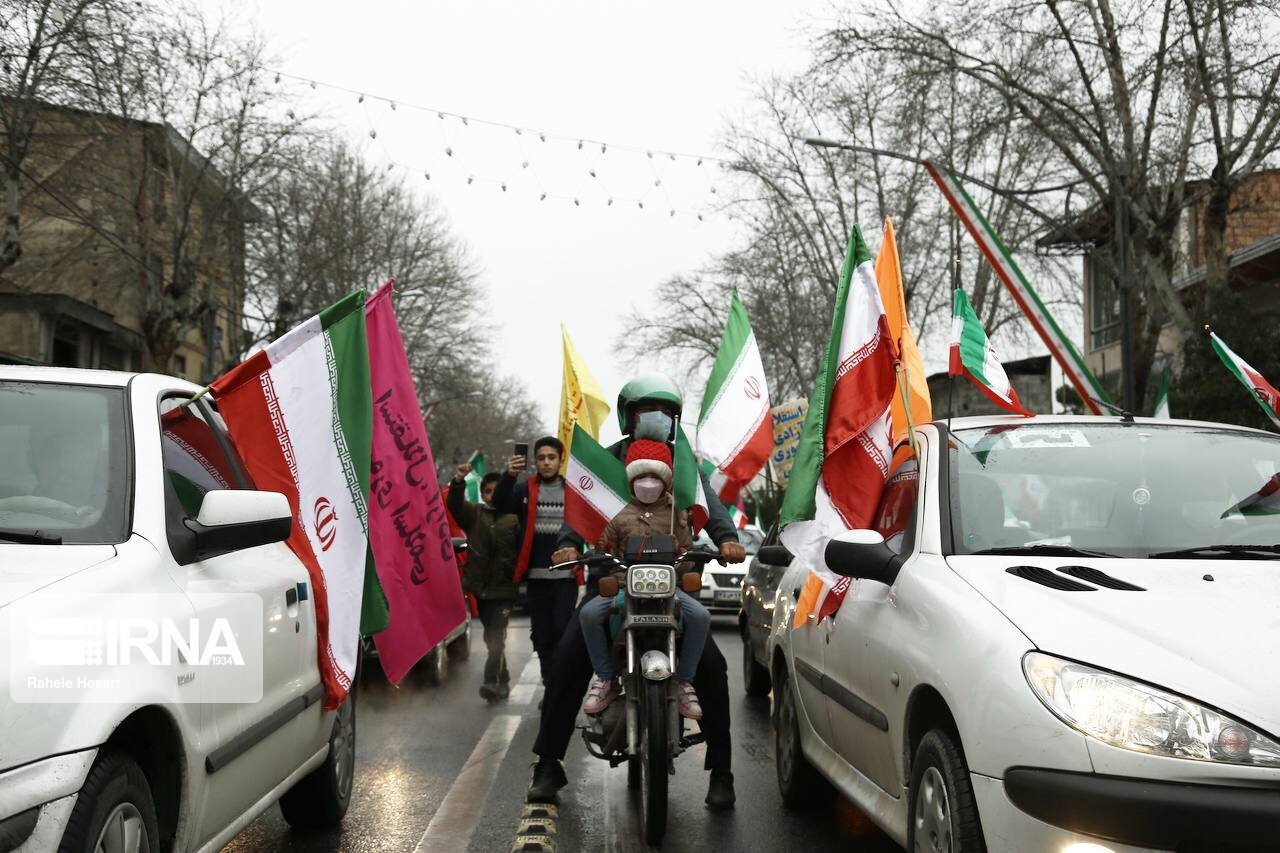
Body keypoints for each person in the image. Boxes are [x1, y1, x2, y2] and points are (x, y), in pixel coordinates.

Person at [527, 374, 746, 810]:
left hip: (670, 585)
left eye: (665, 412)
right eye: (647, 410)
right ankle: (548, 762)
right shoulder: (605, 464)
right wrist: (569, 543)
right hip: (613, 582)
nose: (656, 419)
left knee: (713, 668)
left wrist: (726, 538)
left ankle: (721, 770)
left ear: (674, 419)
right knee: (569, 656)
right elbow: (580, 509)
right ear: (629, 416)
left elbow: (712, 509)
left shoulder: (686, 467)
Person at [579, 439, 710, 719]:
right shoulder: (616, 513)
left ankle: (685, 681)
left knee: (700, 616)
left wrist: (685, 554)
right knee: (589, 614)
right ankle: (605, 679)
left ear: (665, 480)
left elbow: (688, 555)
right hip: (625, 588)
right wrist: (597, 553)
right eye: (642, 477)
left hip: (669, 590)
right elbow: (603, 548)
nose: (648, 483)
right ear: (632, 479)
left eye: (654, 477)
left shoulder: (678, 514)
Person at [492, 436, 574, 686]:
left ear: (561, 460)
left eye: (551, 457)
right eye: (541, 458)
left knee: (563, 630)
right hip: (537, 579)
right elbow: (499, 505)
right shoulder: (524, 489)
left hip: (566, 578)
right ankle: (549, 684)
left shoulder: (574, 491)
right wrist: (508, 476)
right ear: (535, 462)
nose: (546, 462)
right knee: (542, 635)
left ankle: (560, 684)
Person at [446, 465, 519, 702]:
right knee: (491, 637)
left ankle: (493, 682)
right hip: (481, 590)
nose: (492, 495)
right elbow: (455, 505)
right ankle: (504, 677)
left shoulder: (516, 517)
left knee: (497, 635)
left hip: (505, 589)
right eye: (487, 491)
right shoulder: (475, 514)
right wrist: (458, 480)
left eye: (496, 491)